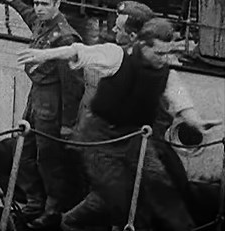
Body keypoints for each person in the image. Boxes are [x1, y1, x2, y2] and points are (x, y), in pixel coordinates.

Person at [19, 18, 221, 231]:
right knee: (115, 194)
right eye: (159, 54)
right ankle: (68, 224)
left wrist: (195, 121)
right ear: (143, 46)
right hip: (99, 136)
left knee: (162, 186)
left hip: (134, 136)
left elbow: (180, 100)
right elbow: (81, 51)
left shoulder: (167, 74)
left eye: (167, 53)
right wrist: (45, 54)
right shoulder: (118, 57)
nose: (164, 59)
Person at [0, 0, 84, 230]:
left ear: (58, 3)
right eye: (35, 2)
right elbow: (28, 16)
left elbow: (73, 86)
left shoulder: (65, 38)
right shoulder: (43, 22)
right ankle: (35, 202)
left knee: (48, 159)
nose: (37, 8)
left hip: (52, 101)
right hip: (36, 97)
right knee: (24, 152)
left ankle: (52, 210)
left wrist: (68, 124)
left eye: (44, 3)